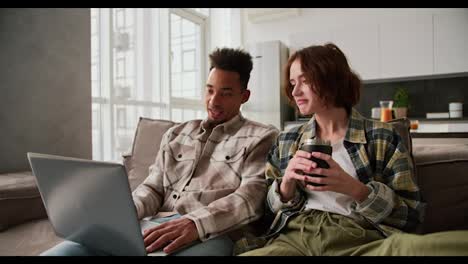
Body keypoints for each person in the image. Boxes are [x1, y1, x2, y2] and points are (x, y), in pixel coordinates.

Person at [41, 47, 279, 256]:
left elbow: (251, 197)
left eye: (226, 93)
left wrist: (195, 224)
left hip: (213, 232)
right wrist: (125, 213)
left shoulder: (262, 136)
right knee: (68, 249)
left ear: (244, 96)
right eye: (209, 90)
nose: (214, 101)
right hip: (155, 224)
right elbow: (153, 188)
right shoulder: (176, 134)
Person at [239, 43, 468, 256]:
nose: (295, 91)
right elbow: (265, 214)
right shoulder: (287, 140)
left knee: (438, 247)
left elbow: (411, 217)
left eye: (305, 80)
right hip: (295, 239)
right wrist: (286, 185)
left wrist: (356, 189)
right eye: (292, 83)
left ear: (332, 80)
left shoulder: (383, 137)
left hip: (360, 238)